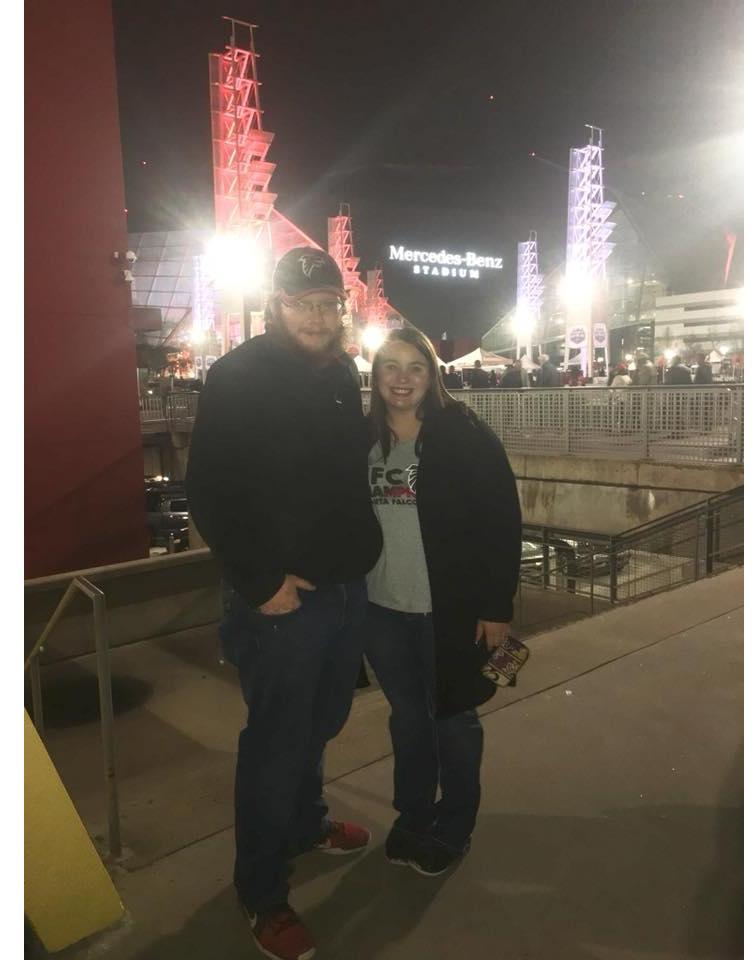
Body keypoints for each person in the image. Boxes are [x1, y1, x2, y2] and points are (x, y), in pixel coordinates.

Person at [185, 247, 383, 960]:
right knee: (275, 743)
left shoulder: (342, 375)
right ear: (276, 306)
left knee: (322, 722)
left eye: (329, 303)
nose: (317, 317)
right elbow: (208, 491)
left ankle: (304, 824)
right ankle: (261, 891)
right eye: (303, 304)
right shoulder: (237, 377)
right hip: (281, 600)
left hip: (343, 589)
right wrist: (260, 581)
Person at [363, 326, 522, 877]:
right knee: (408, 720)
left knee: (453, 718)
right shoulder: (362, 437)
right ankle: (413, 815)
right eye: (390, 366)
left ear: (432, 375)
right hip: (381, 607)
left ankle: (455, 825)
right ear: (375, 375)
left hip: (448, 609)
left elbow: (501, 519)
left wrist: (496, 606)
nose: (402, 379)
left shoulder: (462, 432)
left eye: (415, 367)